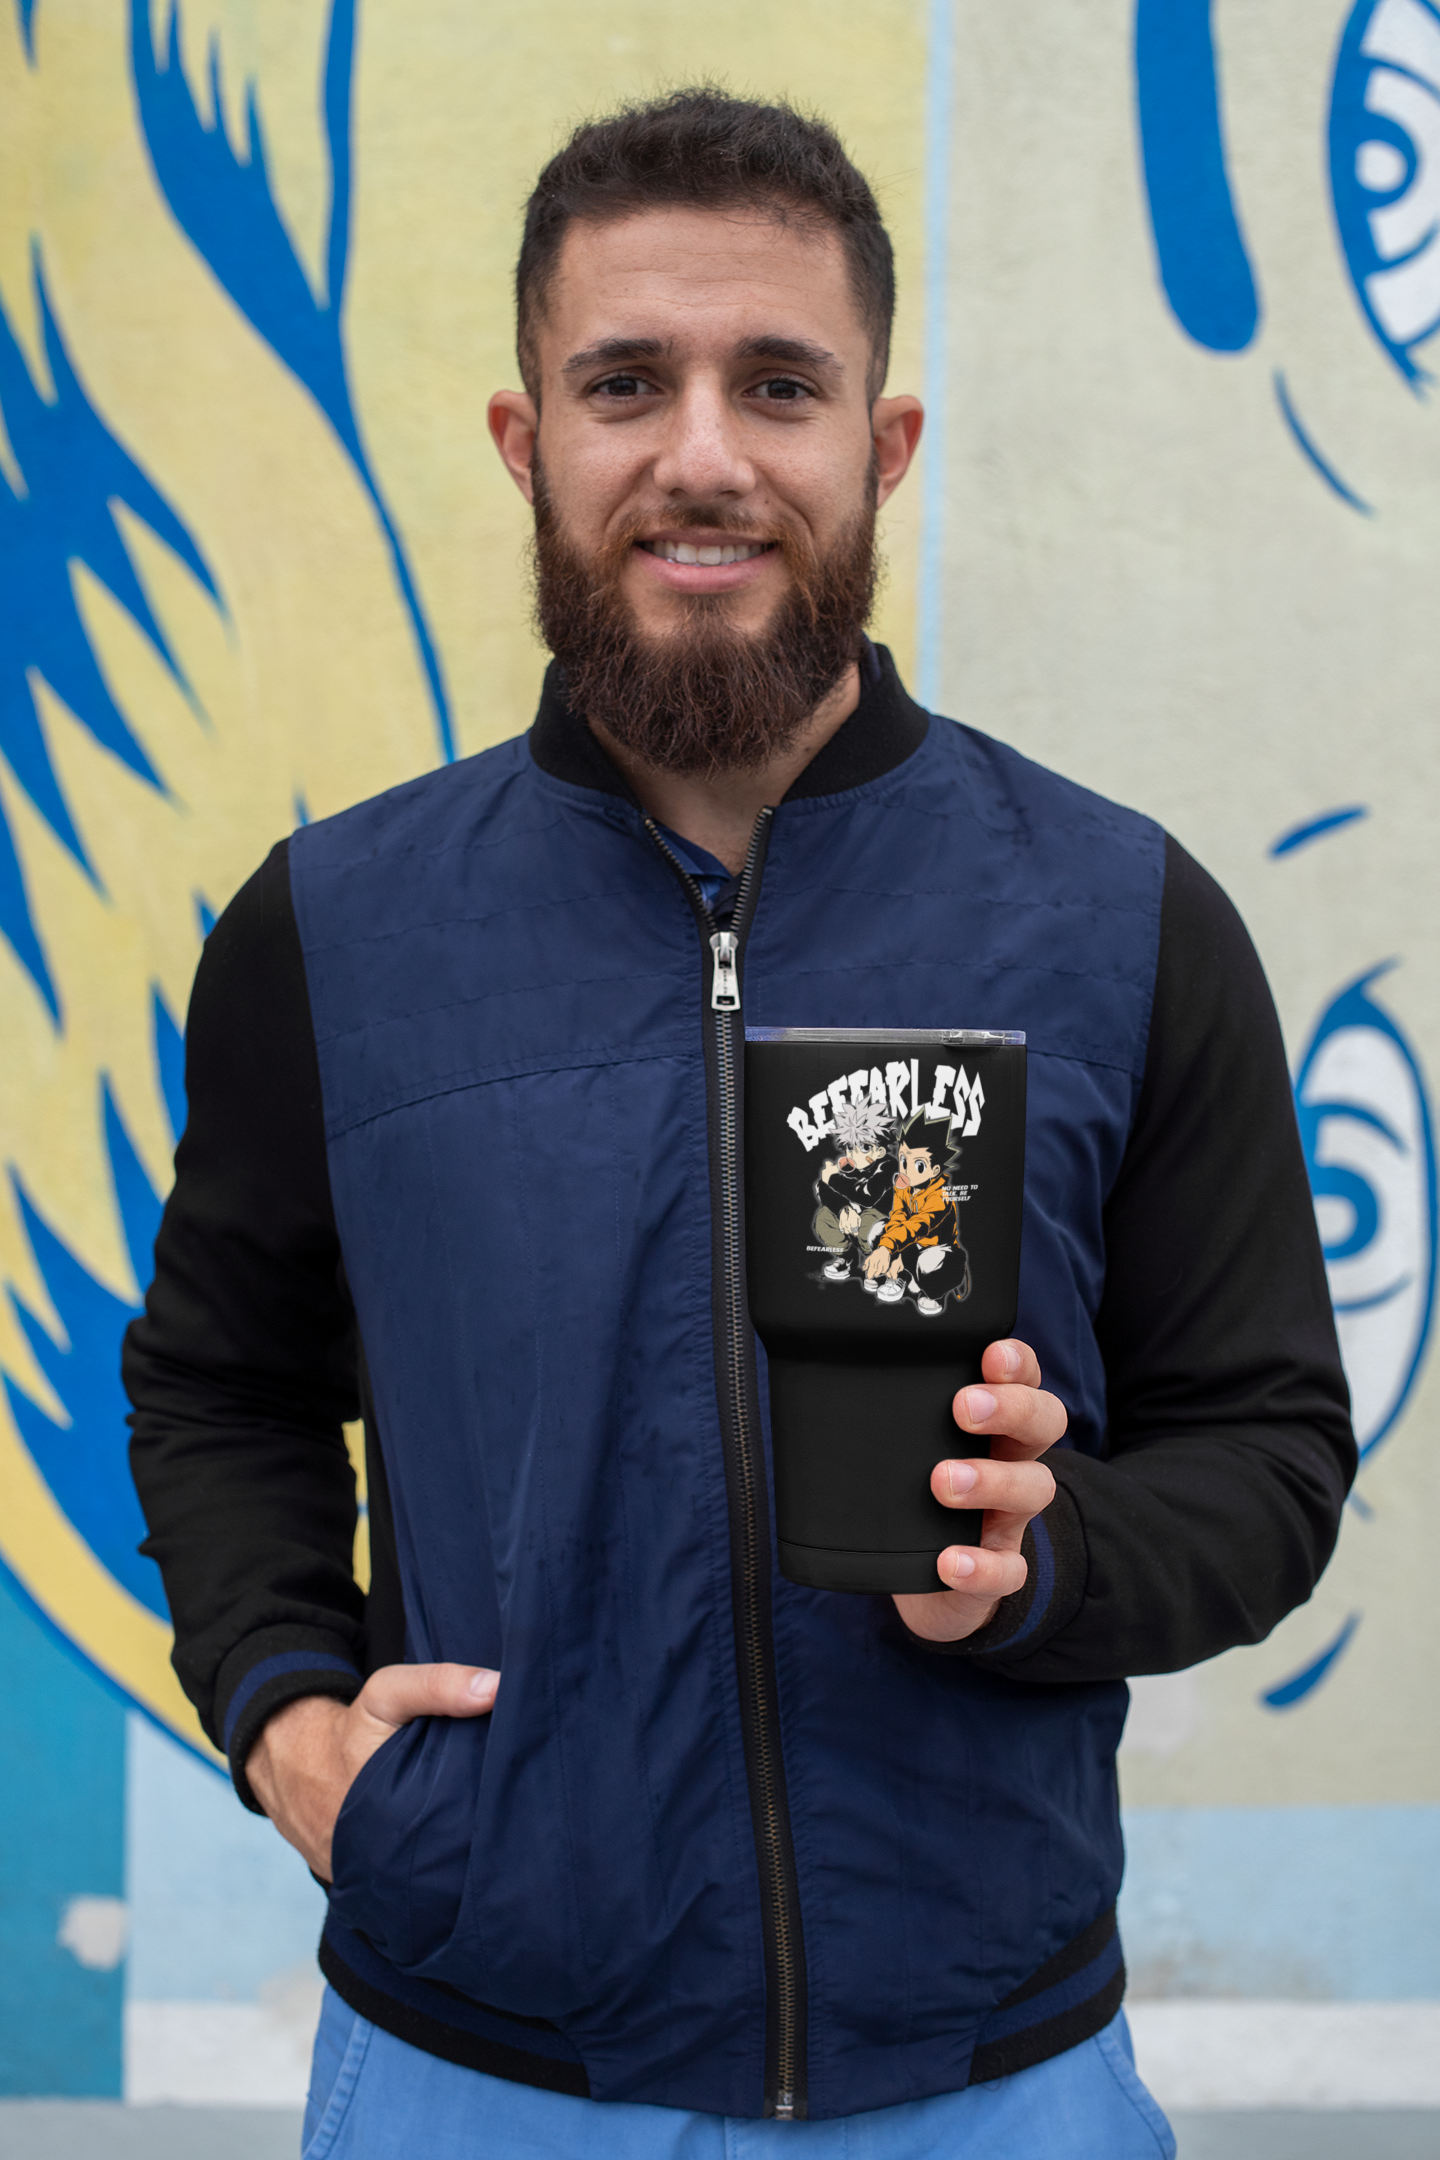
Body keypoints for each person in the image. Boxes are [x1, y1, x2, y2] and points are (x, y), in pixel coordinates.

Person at [124, 89, 1354, 2159]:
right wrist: (287, 1716)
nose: (703, 455)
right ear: (527, 441)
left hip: (994, 2083)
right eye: (626, 384)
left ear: (885, 445)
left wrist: (1046, 1562)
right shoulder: (331, 934)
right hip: (475, 2074)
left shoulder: (1120, 918)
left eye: (779, 384)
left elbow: (1269, 1452)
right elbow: (216, 1386)